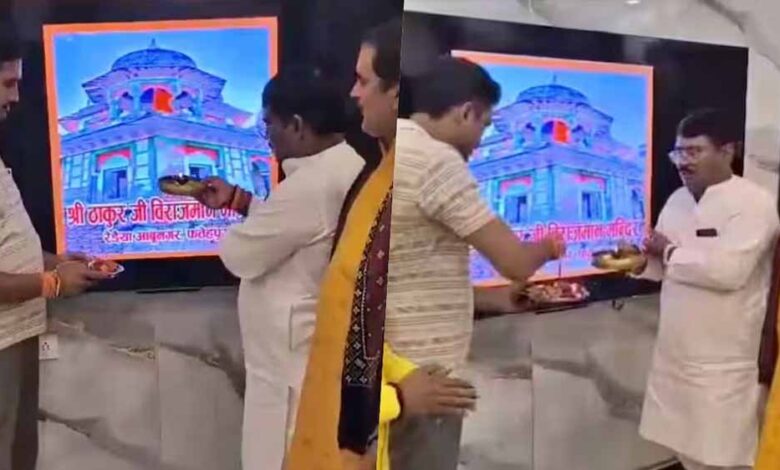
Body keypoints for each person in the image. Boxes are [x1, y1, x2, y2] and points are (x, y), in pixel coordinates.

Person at [384, 57, 565, 470]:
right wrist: (548, 247)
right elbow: (516, 262)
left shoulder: (395, 146)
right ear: (466, 112)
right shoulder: (436, 160)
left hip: (391, 369)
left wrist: (494, 299)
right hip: (424, 376)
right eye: (485, 125)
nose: (482, 142)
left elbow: (411, 272)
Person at [192, 66, 365, 470]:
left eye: (269, 123)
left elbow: (239, 253)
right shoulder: (344, 165)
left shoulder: (311, 185)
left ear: (298, 126)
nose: (266, 135)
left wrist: (239, 224)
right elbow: (297, 231)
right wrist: (240, 202)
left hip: (289, 370)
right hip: (300, 352)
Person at [635, 109, 779, 470]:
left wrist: (668, 252)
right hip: (675, 357)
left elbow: (729, 272)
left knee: (725, 456)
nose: (683, 162)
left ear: (727, 150)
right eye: (678, 152)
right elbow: (661, 269)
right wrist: (637, 263)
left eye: (694, 151)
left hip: (724, 364)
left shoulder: (754, 203)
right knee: (686, 452)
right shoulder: (676, 201)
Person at [0, 24, 112, 470]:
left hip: (17, 334)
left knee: (18, 451)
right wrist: (52, 283)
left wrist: (57, 261)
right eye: (7, 83)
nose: (15, 97)